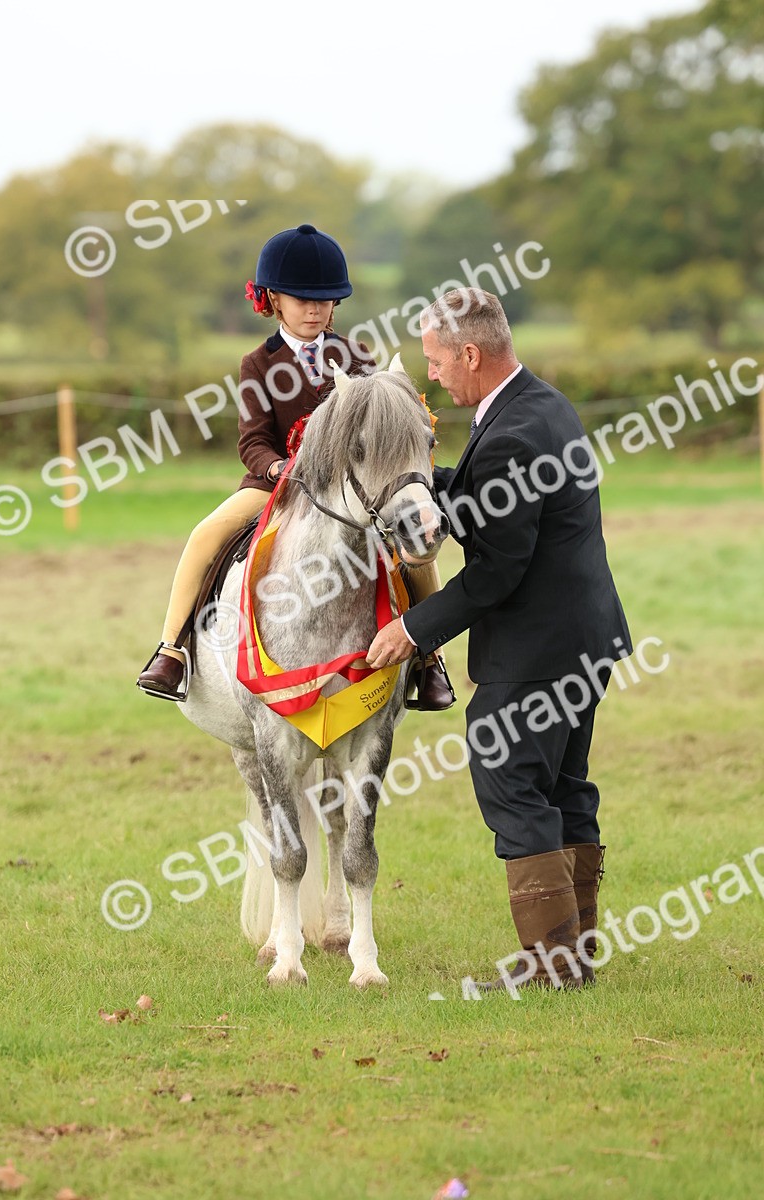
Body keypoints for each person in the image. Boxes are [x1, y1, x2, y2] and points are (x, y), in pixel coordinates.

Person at [366, 287, 631, 990]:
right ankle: (573, 958)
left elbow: (497, 572)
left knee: (512, 783)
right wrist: (414, 483)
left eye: (435, 361)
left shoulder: (511, 433)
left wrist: (411, 630)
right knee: (563, 786)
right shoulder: (541, 405)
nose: (432, 376)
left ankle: (551, 968)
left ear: (470, 354)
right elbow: (491, 496)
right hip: (585, 638)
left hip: (537, 651)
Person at [137, 223, 454, 710]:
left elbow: (382, 429)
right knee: (205, 535)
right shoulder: (257, 364)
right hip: (275, 486)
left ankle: (431, 661)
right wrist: (280, 470)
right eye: (303, 299)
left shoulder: (357, 356)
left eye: (324, 300)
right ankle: (172, 650)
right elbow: (252, 441)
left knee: (414, 552)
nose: (314, 310)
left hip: (352, 490)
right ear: (274, 300)